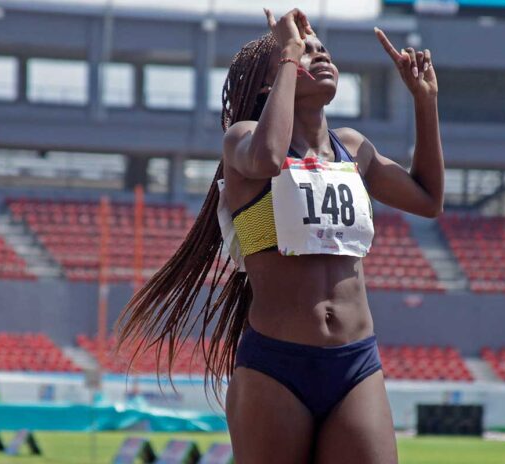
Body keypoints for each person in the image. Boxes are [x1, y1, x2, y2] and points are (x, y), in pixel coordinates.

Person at [116, 7, 444, 464]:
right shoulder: (243, 140)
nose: (320, 55)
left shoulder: (353, 148)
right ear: (270, 83)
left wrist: (424, 102)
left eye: (322, 49)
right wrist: (289, 49)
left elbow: (428, 199)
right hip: (276, 367)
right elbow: (269, 159)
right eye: (305, 52)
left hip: (355, 363)